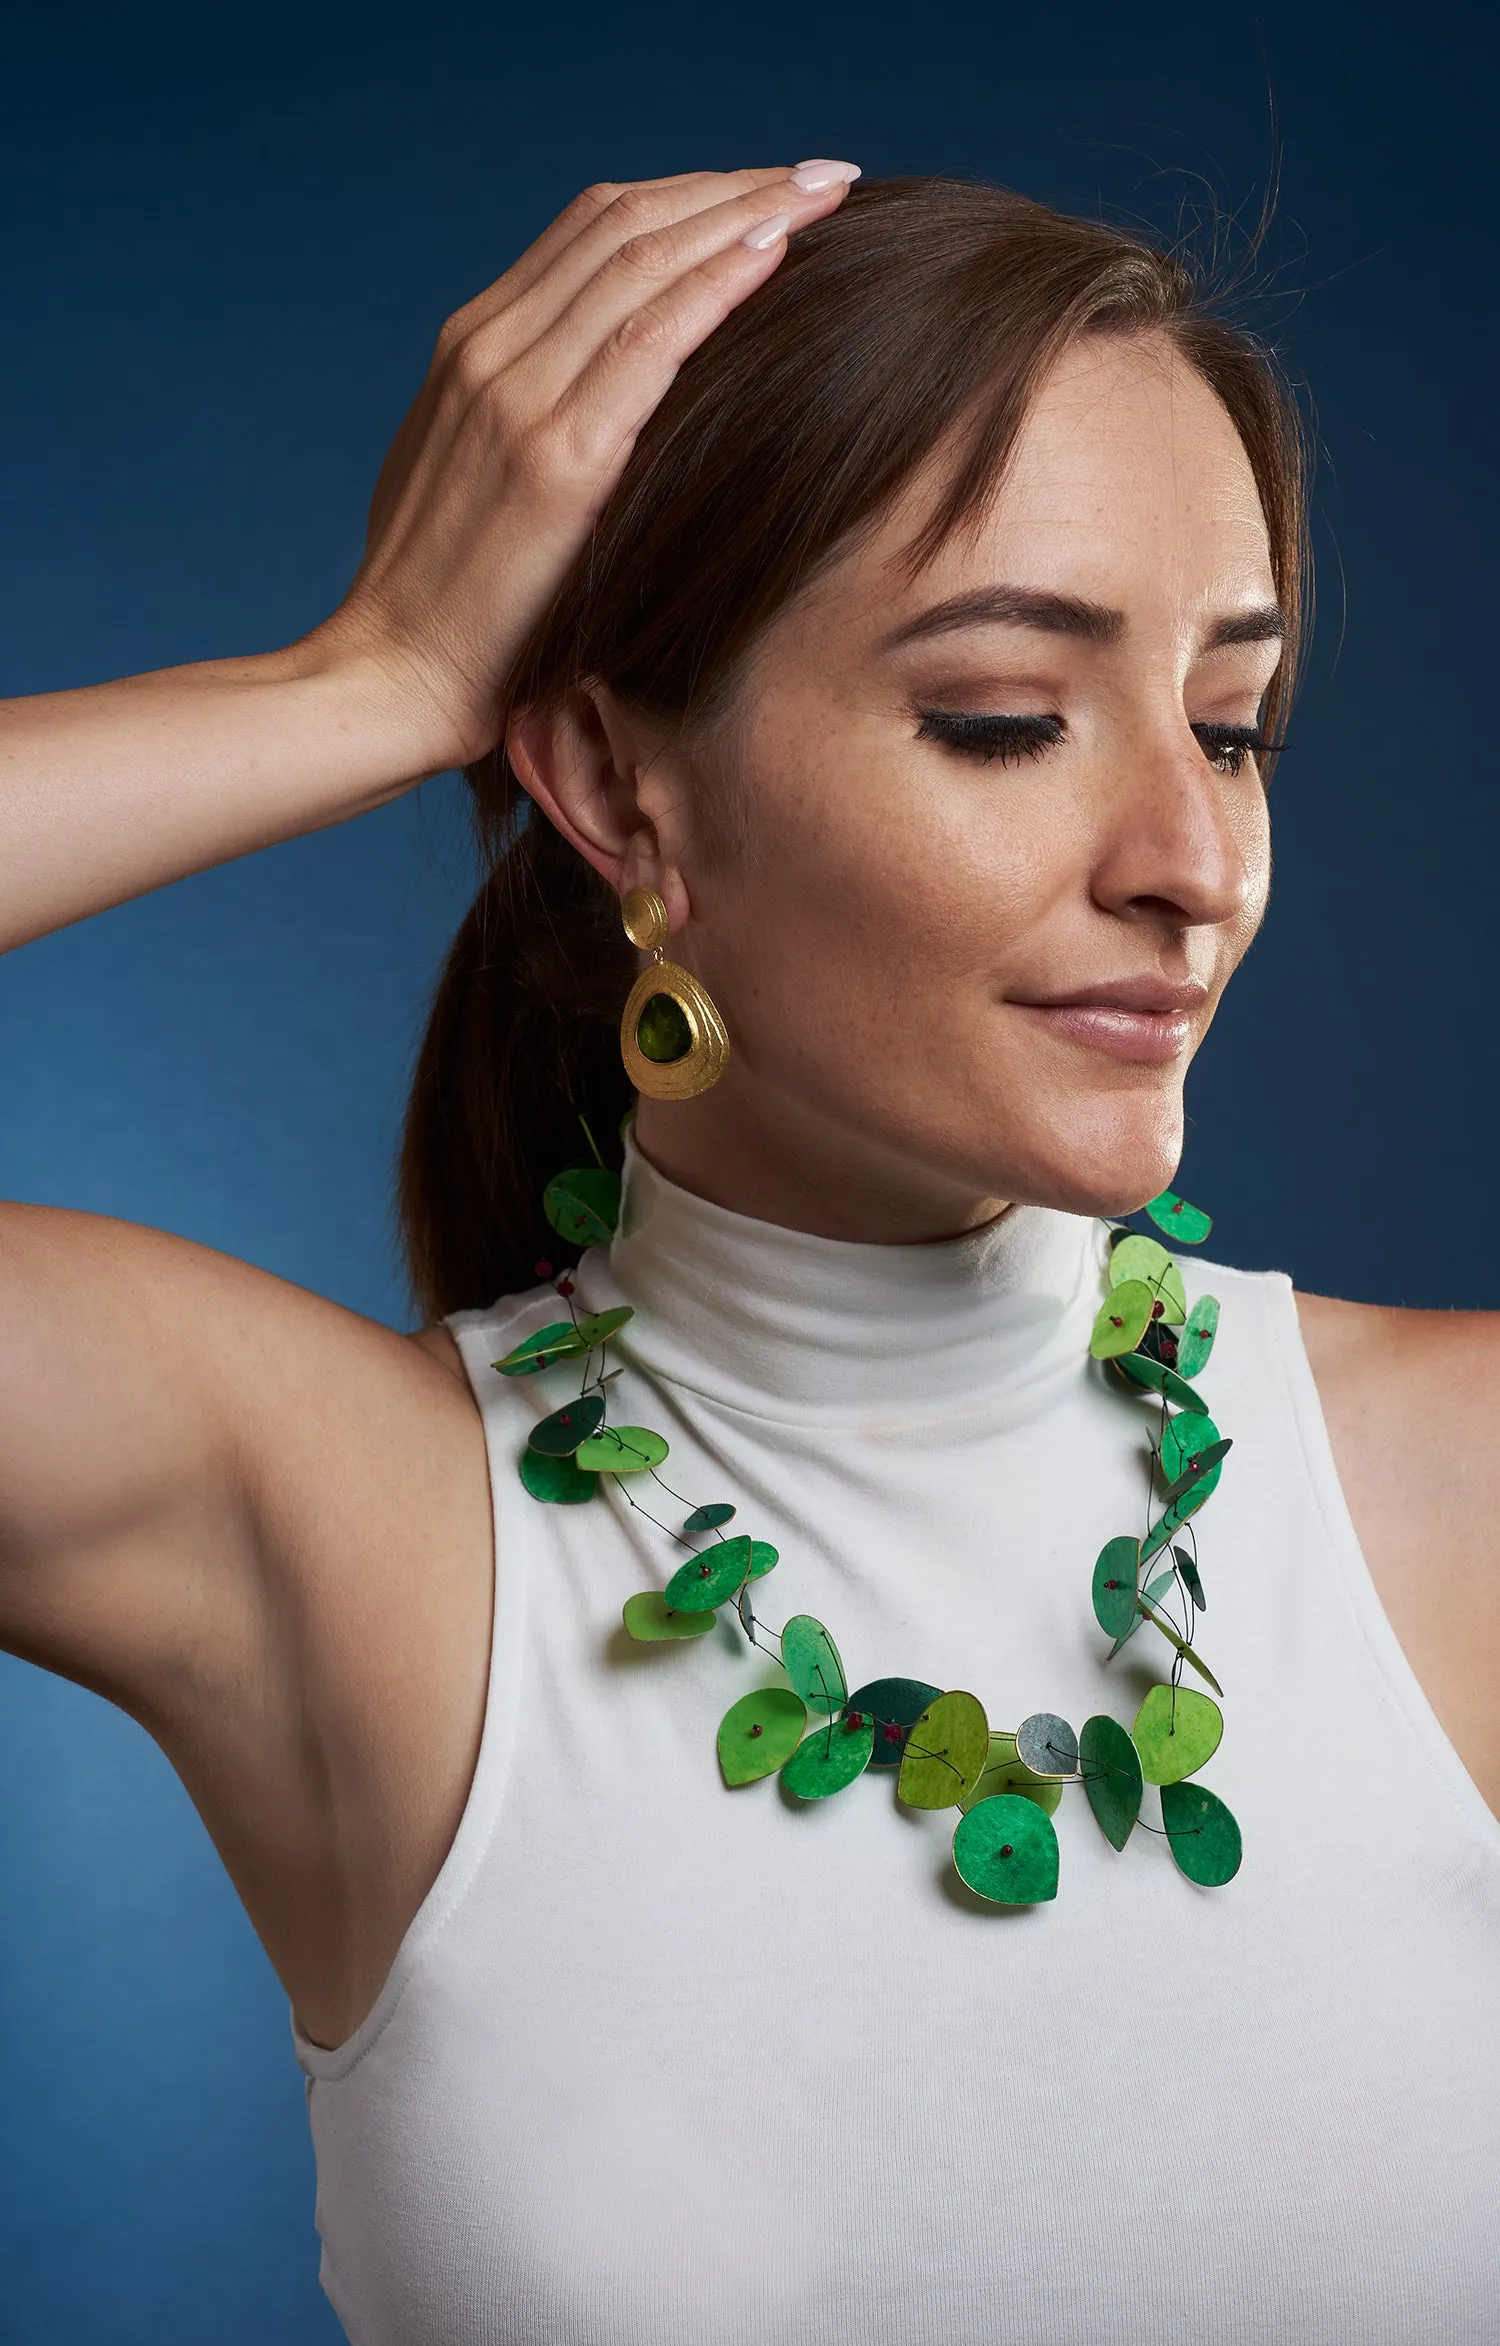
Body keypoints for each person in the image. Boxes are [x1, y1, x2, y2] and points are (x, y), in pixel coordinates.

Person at [1, 163, 1496, 2345]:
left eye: (1233, 725)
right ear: (619, 785)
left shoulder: (1466, 1490)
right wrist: (374, 679)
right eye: (1004, 716)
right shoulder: (348, 1526)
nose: (1192, 862)